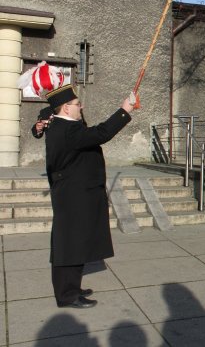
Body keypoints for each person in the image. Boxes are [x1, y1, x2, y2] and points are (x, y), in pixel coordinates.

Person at [45, 84, 136, 308]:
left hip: (75, 193)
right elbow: (101, 133)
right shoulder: (67, 130)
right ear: (66, 108)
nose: (81, 106)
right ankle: (67, 295)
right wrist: (125, 110)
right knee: (70, 245)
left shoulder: (62, 125)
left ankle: (72, 288)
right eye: (77, 104)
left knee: (76, 243)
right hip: (74, 195)